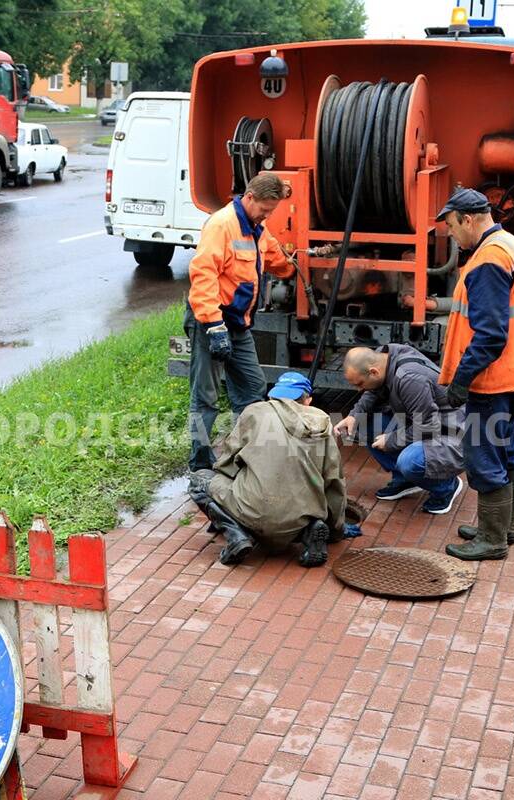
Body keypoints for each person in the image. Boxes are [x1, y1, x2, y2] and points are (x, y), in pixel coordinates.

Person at [435, 188, 514, 561]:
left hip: (493, 379)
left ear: (467, 219)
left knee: (483, 456)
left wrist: (461, 381)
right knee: (506, 449)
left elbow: (491, 334)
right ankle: (503, 527)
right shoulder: (507, 243)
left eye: (450, 225)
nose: (449, 233)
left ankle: (492, 540)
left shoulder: (487, 262)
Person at [186, 173, 296, 473]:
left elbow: (275, 258)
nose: (267, 214)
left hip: (238, 324)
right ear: (249, 197)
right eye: (264, 208)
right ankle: (200, 461)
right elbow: (204, 274)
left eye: (271, 210)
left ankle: (244, 453)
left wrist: (295, 265)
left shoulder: (257, 228)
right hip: (211, 322)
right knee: (205, 396)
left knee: (252, 387)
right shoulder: (222, 225)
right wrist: (213, 325)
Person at [188, 372, 349, 568]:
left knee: (200, 480)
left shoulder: (254, 412)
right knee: (305, 505)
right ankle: (310, 531)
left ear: (273, 396)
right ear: (308, 400)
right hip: (303, 515)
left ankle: (236, 534)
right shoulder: (323, 421)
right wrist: (336, 529)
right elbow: (334, 480)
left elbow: (226, 464)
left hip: (255, 513)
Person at [333, 345, 465, 514]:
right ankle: (406, 480)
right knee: (361, 424)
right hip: (426, 423)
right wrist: (354, 415)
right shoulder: (383, 356)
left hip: (454, 434)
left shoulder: (409, 378)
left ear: (374, 372)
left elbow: (427, 427)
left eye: (359, 384)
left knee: (409, 461)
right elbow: (374, 390)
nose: (359, 389)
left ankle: (447, 486)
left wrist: (391, 440)